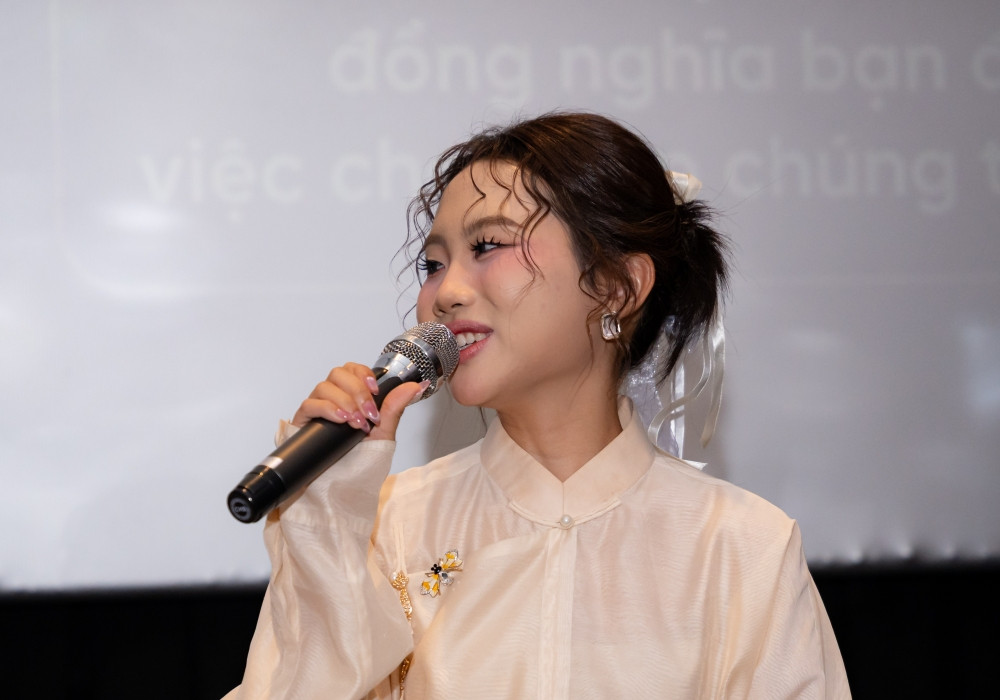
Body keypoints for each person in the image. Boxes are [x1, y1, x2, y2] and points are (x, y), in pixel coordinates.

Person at [226, 112, 850, 699]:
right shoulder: (387, 528)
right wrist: (331, 517)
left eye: (487, 246)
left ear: (616, 286)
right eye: (433, 263)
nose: (446, 293)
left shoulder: (740, 546)